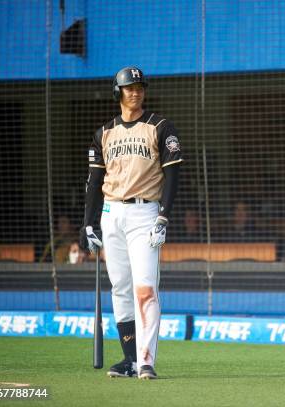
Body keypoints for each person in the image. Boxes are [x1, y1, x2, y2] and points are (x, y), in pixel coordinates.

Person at [79, 66, 182, 380]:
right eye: (129, 88)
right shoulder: (104, 133)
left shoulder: (160, 127)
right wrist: (87, 225)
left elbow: (174, 174)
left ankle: (146, 360)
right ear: (118, 92)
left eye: (139, 87)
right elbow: (94, 182)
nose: (135, 92)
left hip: (145, 213)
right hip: (112, 215)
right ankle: (129, 359)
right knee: (120, 288)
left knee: (145, 288)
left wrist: (164, 215)